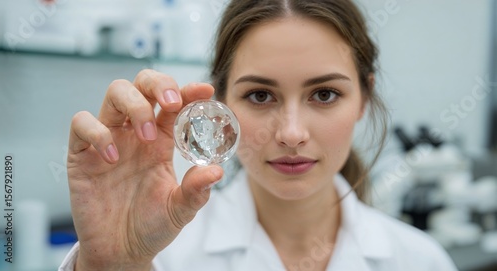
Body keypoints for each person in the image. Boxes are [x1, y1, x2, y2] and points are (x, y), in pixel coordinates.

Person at [59, 0, 458, 270]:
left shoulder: (421, 260)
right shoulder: (163, 256)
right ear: (222, 101)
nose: (291, 133)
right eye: (260, 95)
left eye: (324, 94)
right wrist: (111, 265)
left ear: (364, 98)